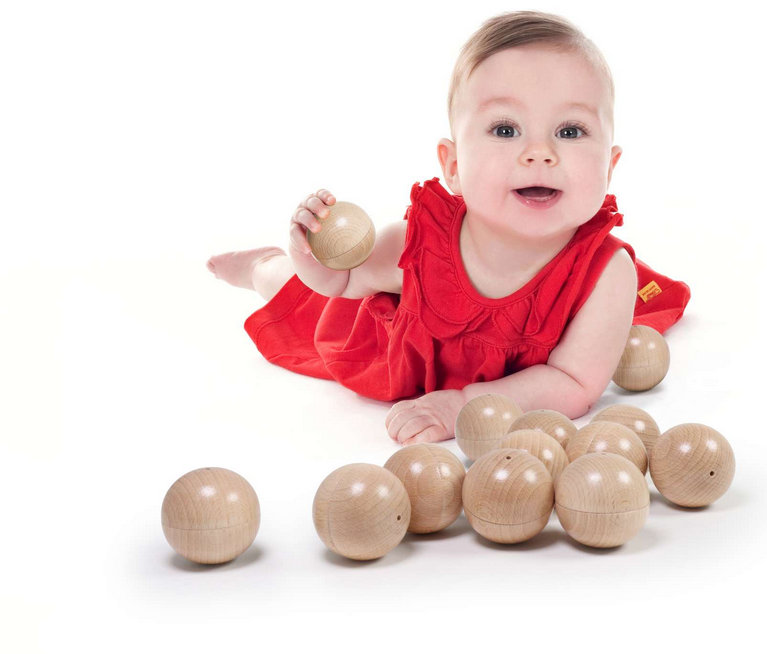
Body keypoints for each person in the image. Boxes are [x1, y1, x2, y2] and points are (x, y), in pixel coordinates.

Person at [206, 10, 690, 447]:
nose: (540, 152)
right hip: (392, 348)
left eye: (570, 131)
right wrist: (311, 254)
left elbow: (574, 383)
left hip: (489, 375)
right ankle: (262, 266)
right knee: (299, 298)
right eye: (505, 129)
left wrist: (464, 405)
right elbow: (343, 282)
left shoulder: (607, 274)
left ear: (609, 166)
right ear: (454, 165)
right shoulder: (426, 241)